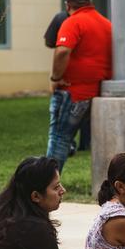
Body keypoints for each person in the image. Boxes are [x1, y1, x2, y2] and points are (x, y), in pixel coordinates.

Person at [47, 0, 111, 173]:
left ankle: (47, 184)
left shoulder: (72, 22)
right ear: (90, 2)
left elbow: (62, 52)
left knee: (59, 139)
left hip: (72, 93)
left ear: (68, 5)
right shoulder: (106, 24)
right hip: (97, 93)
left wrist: (55, 77)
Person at [43, 10, 90, 156]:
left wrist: (55, 78)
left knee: (63, 114)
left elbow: (50, 43)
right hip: (86, 74)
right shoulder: (90, 20)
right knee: (84, 110)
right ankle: (84, 143)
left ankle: (70, 144)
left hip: (66, 74)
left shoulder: (61, 18)